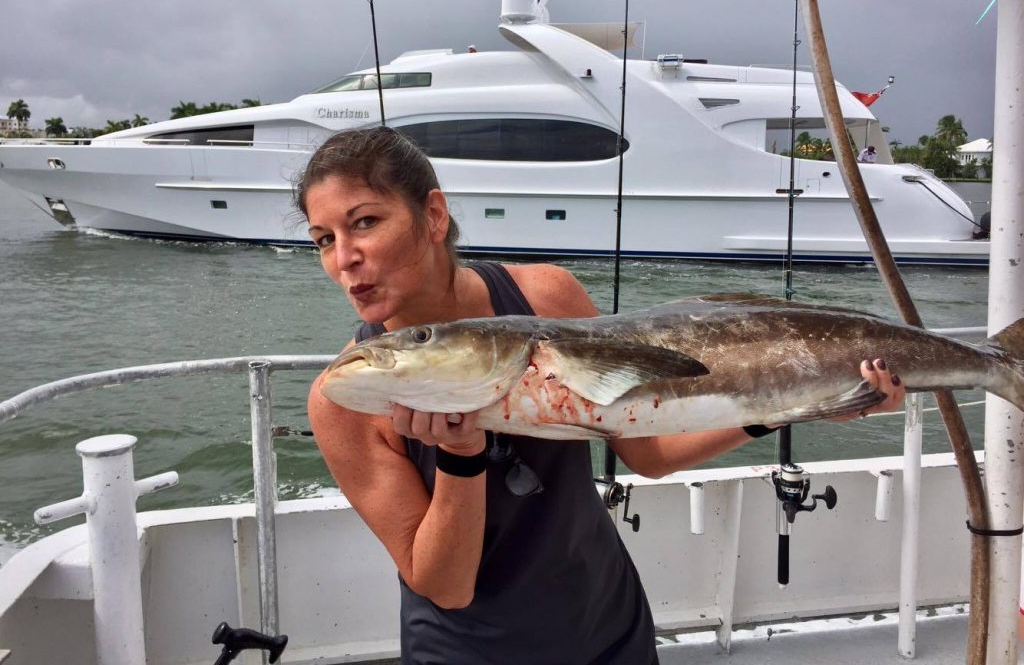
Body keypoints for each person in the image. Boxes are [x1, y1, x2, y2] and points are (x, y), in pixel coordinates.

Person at [297, 127, 905, 665]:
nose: (345, 259)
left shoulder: (546, 296)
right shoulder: (346, 398)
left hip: (605, 620)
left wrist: (794, 406)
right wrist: (461, 460)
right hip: (472, 648)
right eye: (323, 238)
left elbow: (649, 452)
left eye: (365, 223)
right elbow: (447, 587)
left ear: (432, 216)